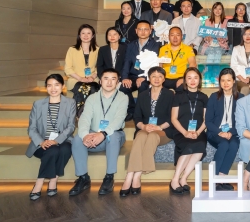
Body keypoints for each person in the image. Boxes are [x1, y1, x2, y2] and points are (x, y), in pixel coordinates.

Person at [69, 68, 128, 196]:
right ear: (100, 81)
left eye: (113, 79)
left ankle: (109, 177)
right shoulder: (92, 98)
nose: (109, 82)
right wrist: (85, 135)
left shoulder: (123, 98)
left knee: (113, 137)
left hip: (113, 134)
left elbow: (118, 120)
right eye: (106, 78)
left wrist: (103, 134)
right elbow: (85, 118)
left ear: (118, 82)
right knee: (77, 139)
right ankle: (83, 178)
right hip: (93, 133)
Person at [121, 67, 174, 196]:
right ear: (149, 78)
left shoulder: (170, 95)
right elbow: (137, 116)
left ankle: (137, 175)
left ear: (164, 79)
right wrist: (144, 127)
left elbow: (172, 117)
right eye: (153, 76)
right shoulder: (143, 95)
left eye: (160, 76)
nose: (157, 79)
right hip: (145, 128)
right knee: (140, 136)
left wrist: (159, 127)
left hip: (163, 130)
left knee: (152, 136)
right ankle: (130, 175)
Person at [26, 74, 76, 201]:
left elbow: (71, 126)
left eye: (56, 85)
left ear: (63, 86)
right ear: (46, 88)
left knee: (65, 149)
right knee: (53, 150)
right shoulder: (38, 104)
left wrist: (56, 141)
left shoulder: (70, 103)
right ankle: (40, 182)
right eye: (49, 85)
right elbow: (31, 128)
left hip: (63, 140)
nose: (53, 88)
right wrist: (41, 142)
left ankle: (52, 180)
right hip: (41, 143)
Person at [170, 68, 208, 194]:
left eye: (195, 78)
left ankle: (184, 178)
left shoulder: (204, 97)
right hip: (181, 131)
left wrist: (198, 132)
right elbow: (174, 118)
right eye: (189, 78)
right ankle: (175, 179)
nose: (192, 81)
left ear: (199, 80)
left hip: (198, 132)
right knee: (189, 145)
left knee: (200, 145)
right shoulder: (178, 96)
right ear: (185, 80)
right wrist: (185, 132)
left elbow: (206, 119)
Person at [205, 68, 243, 190]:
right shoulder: (214, 97)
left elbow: (242, 122)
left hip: (234, 132)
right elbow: (208, 121)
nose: (225, 83)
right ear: (219, 82)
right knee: (224, 144)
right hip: (215, 132)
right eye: (223, 80)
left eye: (228, 80)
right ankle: (214, 179)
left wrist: (230, 132)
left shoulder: (241, 98)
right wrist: (220, 132)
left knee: (234, 145)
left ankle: (221, 178)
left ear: (234, 81)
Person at [120, 20, 161, 120]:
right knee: (123, 87)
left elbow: (154, 64)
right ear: (136, 31)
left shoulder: (156, 45)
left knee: (143, 86)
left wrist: (144, 77)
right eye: (140, 29)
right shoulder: (130, 45)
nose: (143, 32)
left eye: (146, 29)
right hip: (133, 76)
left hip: (147, 76)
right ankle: (132, 111)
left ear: (150, 31)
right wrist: (124, 78)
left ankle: (140, 112)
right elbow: (127, 62)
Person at [64, 24, 99, 109]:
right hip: (76, 79)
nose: (86, 36)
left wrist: (93, 77)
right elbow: (68, 68)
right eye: (83, 33)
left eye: (88, 33)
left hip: (92, 79)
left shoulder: (98, 50)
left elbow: (100, 67)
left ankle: (82, 112)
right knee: (83, 87)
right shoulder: (72, 50)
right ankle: (82, 113)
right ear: (79, 35)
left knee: (92, 87)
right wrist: (80, 78)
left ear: (93, 36)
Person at [230, 26, 250, 95]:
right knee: (245, 88)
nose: (247, 36)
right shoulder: (236, 49)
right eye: (245, 34)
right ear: (242, 36)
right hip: (240, 78)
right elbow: (233, 66)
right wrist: (243, 79)